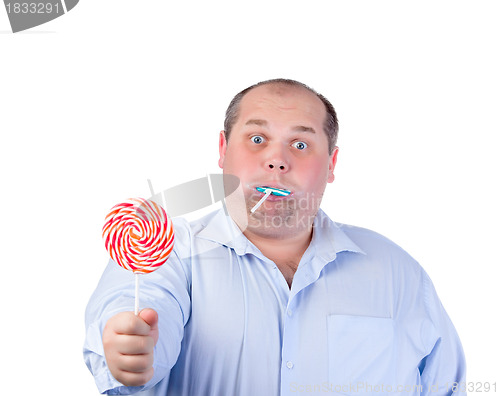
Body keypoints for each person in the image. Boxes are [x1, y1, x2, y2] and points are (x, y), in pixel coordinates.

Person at [84, 79, 466, 395]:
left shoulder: (397, 272)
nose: (277, 160)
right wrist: (129, 348)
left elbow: (446, 385)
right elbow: (139, 313)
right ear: (222, 150)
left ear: (331, 164)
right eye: (256, 139)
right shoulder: (168, 252)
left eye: (300, 145)